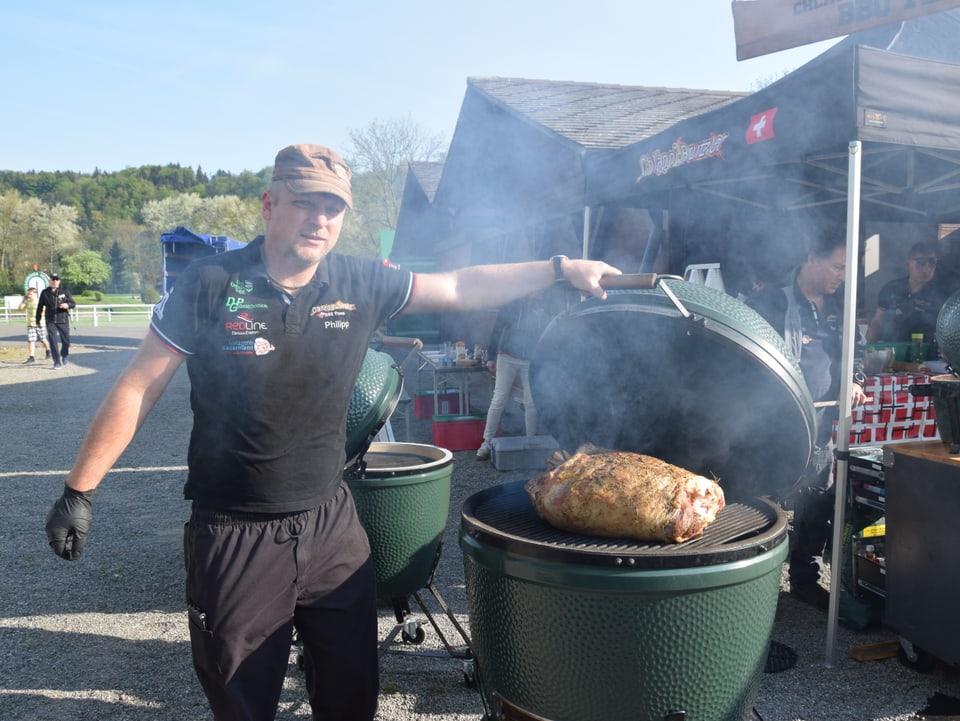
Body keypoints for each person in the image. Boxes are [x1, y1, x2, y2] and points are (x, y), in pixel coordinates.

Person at [43, 143, 620, 721]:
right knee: (243, 703)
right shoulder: (211, 282)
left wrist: (557, 269)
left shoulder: (360, 281)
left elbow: (459, 286)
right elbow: (139, 385)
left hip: (332, 523)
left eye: (333, 208)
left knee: (350, 696)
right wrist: (79, 489)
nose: (319, 219)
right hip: (235, 530)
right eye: (304, 203)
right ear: (269, 205)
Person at [747, 235, 870, 610]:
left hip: (820, 428)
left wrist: (855, 379)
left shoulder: (841, 307)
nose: (842, 276)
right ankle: (755, 592)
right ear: (811, 258)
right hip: (773, 432)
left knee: (817, 505)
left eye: (848, 269)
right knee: (762, 509)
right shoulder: (771, 301)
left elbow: (856, 350)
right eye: (837, 266)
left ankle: (804, 579)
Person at [475, 290, 555, 460]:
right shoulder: (512, 304)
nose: (538, 293)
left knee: (531, 402)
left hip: (531, 361)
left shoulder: (544, 307)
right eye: (535, 290)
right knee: (499, 399)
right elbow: (497, 330)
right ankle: (487, 442)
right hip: (507, 357)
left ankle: (530, 444)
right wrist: (490, 358)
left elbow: (548, 335)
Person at [865, 240, 947, 360]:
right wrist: (865, 350)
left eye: (932, 262)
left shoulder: (941, 294)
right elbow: (877, 322)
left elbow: (948, 332)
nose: (927, 267)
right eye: (921, 262)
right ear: (907, 264)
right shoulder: (891, 288)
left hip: (927, 360)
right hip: (891, 357)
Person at [36, 273, 76, 369]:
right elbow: (40, 307)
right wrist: (37, 320)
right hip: (50, 320)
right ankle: (57, 362)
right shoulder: (45, 293)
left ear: (59, 281)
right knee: (53, 341)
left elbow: (73, 303)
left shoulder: (64, 291)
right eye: (53, 279)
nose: (54, 281)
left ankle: (64, 354)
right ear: (50, 280)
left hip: (62, 319)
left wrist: (67, 305)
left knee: (66, 341)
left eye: (56, 279)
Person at [17, 287, 50, 363]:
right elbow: (20, 308)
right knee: (31, 340)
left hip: (39, 323)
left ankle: (48, 350)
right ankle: (31, 356)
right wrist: (23, 299)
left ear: (35, 294)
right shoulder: (27, 301)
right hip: (30, 324)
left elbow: (43, 312)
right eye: (28, 294)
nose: (29, 295)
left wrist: (36, 319)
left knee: (43, 339)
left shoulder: (39, 302)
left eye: (31, 294)